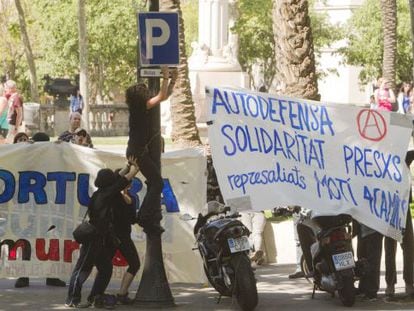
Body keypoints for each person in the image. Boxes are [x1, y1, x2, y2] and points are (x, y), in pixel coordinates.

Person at [65, 157, 139, 308]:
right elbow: (123, 180)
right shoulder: (107, 194)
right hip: (93, 238)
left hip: (101, 239)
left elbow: (118, 178)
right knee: (82, 269)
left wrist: (127, 166)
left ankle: (95, 297)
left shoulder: (101, 193)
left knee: (105, 269)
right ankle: (72, 299)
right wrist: (135, 169)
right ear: (109, 183)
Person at [125, 66, 177, 233]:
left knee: (154, 181)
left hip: (138, 150)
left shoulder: (140, 107)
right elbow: (161, 96)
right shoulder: (141, 107)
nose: (148, 92)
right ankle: (144, 215)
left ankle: (145, 213)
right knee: (157, 182)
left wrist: (172, 79)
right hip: (138, 151)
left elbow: (164, 96)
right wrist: (166, 77)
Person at [13, 131, 67, 288]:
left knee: (36, 241)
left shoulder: (48, 157)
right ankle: (40, 276)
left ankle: (27, 276)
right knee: (39, 241)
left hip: (40, 206)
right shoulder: (29, 156)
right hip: (38, 206)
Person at [384, 150, 414, 297]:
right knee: (390, 248)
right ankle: (390, 284)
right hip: (389, 206)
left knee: (409, 247)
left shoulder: (405, 156)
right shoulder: (382, 155)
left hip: (403, 207)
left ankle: (409, 283)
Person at [112, 170, 140, 304]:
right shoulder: (129, 199)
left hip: (111, 236)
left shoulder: (109, 195)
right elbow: (133, 219)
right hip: (121, 236)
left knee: (103, 266)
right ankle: (121, 293)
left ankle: (98, 294)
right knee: (134, 264)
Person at [288, 206, 305, 279]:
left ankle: (301, 269)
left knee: (299, 242)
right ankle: (301, 268)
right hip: (300, 211)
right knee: (299, 242)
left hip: (303, 211)